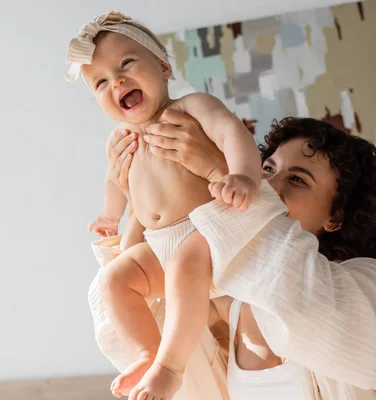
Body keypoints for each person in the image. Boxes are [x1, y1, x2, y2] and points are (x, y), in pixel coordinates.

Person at [107, 112, 376, 399]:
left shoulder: (362, 284)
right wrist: (138, 203)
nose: (270, 187)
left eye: (297, 179)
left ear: (335, 218)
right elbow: (149, 309)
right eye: (269, 169)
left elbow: (301, 300)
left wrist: (219, 170)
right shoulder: (228, 300)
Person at [66, 11, 260, 399]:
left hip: (209, 239)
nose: (116, 81)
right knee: (114, 280)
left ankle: (171, 368)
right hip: (160, 249)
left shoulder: (191, 108)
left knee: (239, 332)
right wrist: (110, 214)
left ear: (163, 65)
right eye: (101, 82)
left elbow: (231, 131)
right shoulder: (120, 140)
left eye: (125, 64)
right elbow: (116, 182)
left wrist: (241, 176)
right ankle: (147, 353)